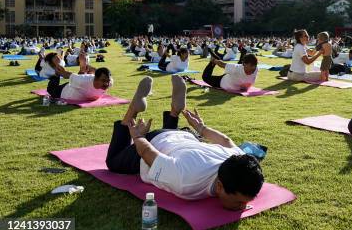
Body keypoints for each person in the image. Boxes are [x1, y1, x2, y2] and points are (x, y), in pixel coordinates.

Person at [105, 75, 264, 210]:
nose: (243, 207)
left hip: (186, 136)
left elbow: (226, 141)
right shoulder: (187, 182)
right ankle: (132, 110)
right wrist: (139, 137)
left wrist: (201, 128)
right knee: (113, 162)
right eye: (240, 202)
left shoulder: (240, 160)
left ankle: (175, 110)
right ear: (220, 187)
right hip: (157, 140)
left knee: (172, 146)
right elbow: (148, 154)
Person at [46, 61, 113, 101]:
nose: (106, 84)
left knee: (78, 79)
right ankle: (55, 76)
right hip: (63, 92)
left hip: (77, 86)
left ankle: (82, 70)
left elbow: (108, 79)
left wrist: (93, 69)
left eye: (108, 81)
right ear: (95, 78)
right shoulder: (84, 80)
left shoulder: (109, 83)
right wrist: (59, 71)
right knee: (51, 89)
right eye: (103, 80)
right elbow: (66, 74)